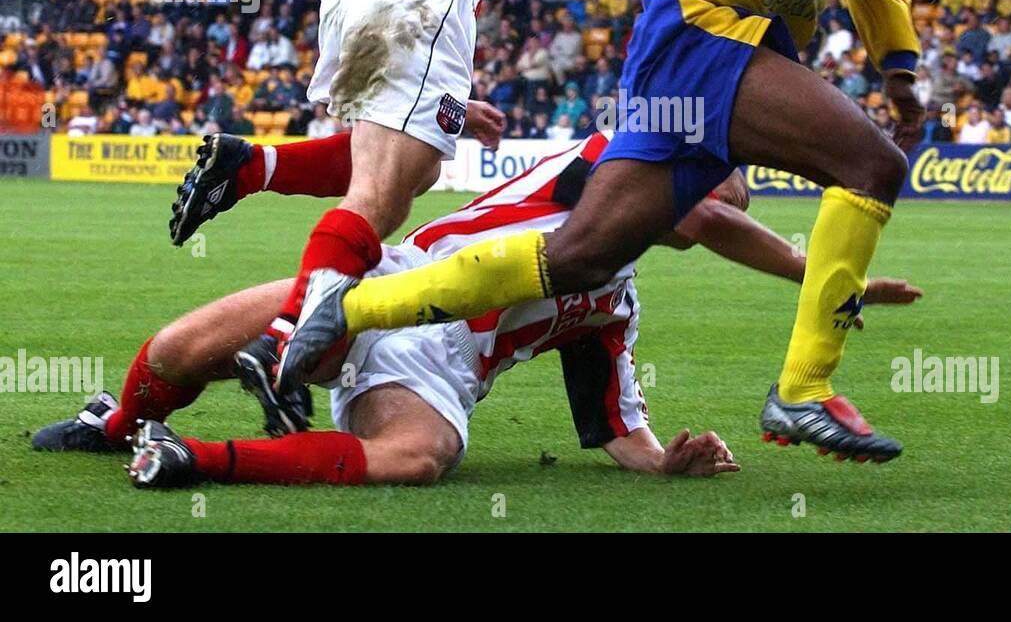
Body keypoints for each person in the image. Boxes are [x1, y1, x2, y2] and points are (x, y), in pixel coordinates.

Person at [258, 0, 966, 464]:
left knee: (581, 258)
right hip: (698, 23)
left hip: (727, 47)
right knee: (871, 166)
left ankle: (352, 306)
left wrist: (900, 72)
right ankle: (804, 389)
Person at [35, 132, 922, 485]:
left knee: (418, 459)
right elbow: (692, 212)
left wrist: (664, 464)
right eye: (721, 179)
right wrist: (817, 277)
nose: (718, 194)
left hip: (439, 371)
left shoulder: (613, 303)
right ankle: (116, 422)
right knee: (185, 352)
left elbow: (615, 425)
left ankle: (195, 460)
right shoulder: (614, 157)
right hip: (390, 282)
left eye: (733, 189)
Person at [167, 0, 662, 374]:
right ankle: (286, 339)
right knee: (385, 196)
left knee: (414, 163)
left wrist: (451, 104)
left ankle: (251, 165)